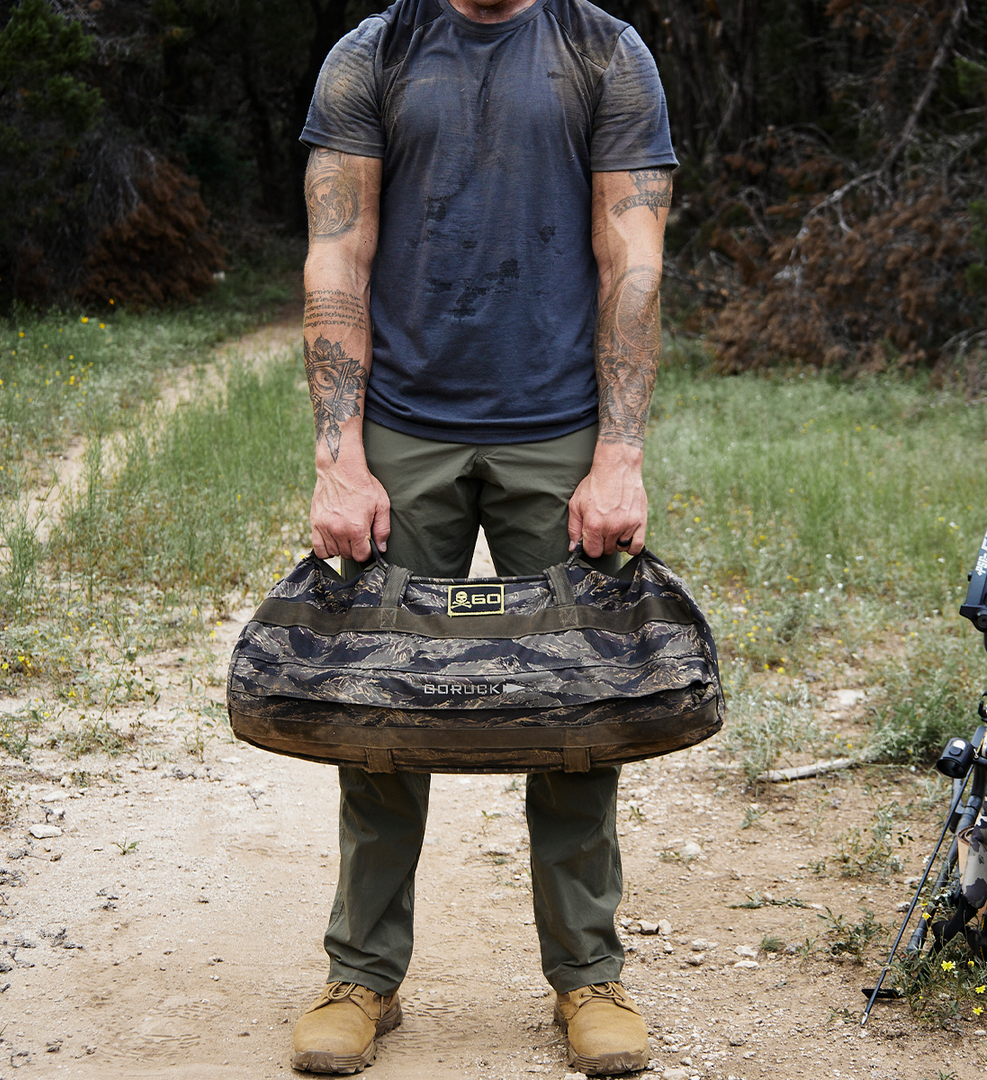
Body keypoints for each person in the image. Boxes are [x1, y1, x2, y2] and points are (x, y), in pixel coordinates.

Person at [292, 0, 676, 1074]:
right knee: (377, 702)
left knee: (579, 706)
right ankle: (362, 977)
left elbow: (631, 255)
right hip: (403, 429)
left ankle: (589, 976)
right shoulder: (373, 56)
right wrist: (339, 454)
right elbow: (338, 253)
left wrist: (620, 457)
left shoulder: (605, 54)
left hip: (558, 434)